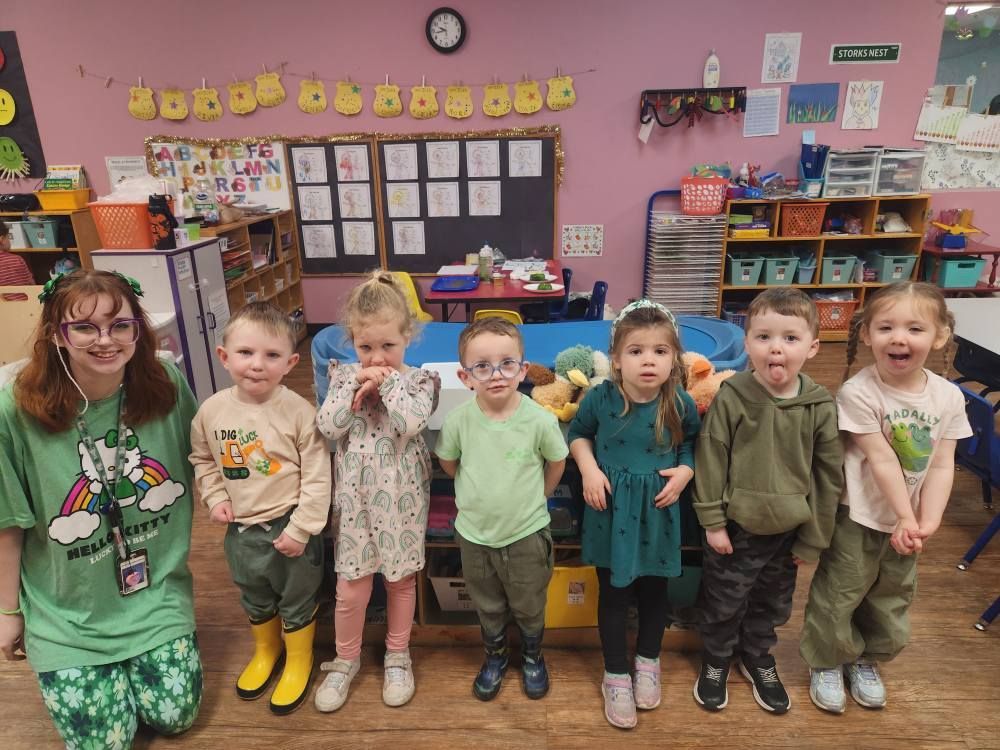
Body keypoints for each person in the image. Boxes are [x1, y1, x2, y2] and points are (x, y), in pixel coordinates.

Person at [0, 270, 202, 747]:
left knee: (176, 717)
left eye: (120, 325)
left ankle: (138, 658)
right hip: (67, 614)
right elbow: (8, 522)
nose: (106, 340)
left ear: (138, 328)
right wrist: (8, 611)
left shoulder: (165, 383)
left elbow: (206, 459)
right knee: (105, 743)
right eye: (85, 327)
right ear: (56, 334)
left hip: (154, 599)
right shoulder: (14, 408)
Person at [801, 281, 971, 714]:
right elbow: (880, 459)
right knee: (840, 591)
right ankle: (826, 660)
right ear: (866, 334)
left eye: (914, 328)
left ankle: (866, 657)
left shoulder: (948, 396)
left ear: (939, 336)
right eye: (886, 327)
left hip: (906, 522)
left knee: (891, 594)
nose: (899, 338)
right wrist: (903, 515)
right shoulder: (859, 391)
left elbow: (941, 463)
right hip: (858, 516)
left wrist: (925, 521)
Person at [691, 288, 843, 715]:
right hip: (735, 529)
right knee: (723, 600)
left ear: (812, 347)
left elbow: (828, 477)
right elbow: (711, 458)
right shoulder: (733, 397)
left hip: (787, 533)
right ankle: (717, 659)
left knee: (772, 603)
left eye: (790, 338)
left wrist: (814, 540)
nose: (776, 347)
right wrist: (713, 522)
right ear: (747, 344)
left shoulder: (819, 405)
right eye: (764, 337)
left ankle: (758, 657)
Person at [189, 301, 331, 715]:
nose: (257, 365)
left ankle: (299, 658)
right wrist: (215, 497)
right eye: (246, 353)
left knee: (297, 596)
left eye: (271, 356)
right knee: (253, 592)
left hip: (290, 524)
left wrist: (302, 528)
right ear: (224, 356)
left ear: (290, 363)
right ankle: (266, 650)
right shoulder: (211, 412)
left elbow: (318, 476)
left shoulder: (300, 412)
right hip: (241, 531)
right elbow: (202, 458)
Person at [568, 300, 700, 729]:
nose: (648, 360)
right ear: (616, 361)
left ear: (674, 360)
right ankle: (616, 673)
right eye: (637, 351)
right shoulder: (600, 399)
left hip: (658, 512)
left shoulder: (679, 402)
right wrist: (588, 469)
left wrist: (685, 470)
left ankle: (648, 662)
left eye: (660, 351)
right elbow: (578, 434)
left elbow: (689, 445)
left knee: (654, 595)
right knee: (614, 594)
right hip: (612, 510)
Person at [314, 270, 440, 712]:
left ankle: (397, 655)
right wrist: (352, 386)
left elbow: (409, 424)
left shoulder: (420, 382)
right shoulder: (342, 375)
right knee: (351, 586)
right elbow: (328, 426)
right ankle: (345, 659)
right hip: (355, 502)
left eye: (389, 346)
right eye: (366, 347)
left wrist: (386, 385)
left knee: (400, 581)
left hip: (402, 500)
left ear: (408, 336)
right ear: (352, 341)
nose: (377, 356)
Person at [436, 318, 567, 702]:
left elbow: (556, 462)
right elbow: (449, 463)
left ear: (523, 370)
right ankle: (494, 656)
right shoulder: (459, 421)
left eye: (507, 363)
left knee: (529, 605)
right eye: (482, 366)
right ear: (465, 376)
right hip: (475, 535)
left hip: (526, 534)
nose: (496, 374)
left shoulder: (539, 420)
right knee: (487, 604)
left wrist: (538, 496)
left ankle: (532, 656)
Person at [0, 220, 35, 285]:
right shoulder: (17, 259)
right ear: (2, 240)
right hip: (25, 294)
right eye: (8, 237)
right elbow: (31, 284)